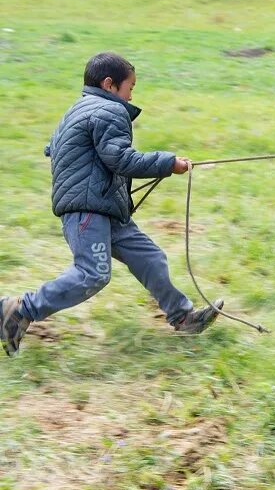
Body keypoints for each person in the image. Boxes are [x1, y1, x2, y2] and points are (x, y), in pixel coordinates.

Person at [1, 52, 223, 356]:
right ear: (110, 84)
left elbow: (56, 149)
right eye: (130, 87)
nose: (132, 94)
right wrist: (169, 163)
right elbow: (120, 159)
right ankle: (19, 310)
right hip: (88, 211)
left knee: (150, 258)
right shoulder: (109, 111)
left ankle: (183, 316)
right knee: (93, 274)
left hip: (104, 207)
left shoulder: (76, 110)